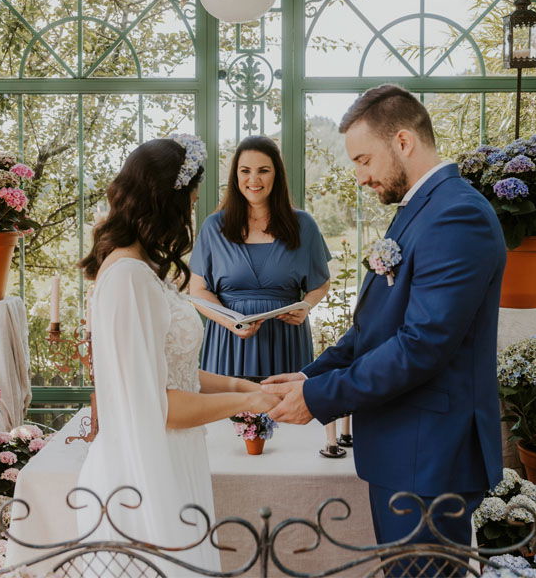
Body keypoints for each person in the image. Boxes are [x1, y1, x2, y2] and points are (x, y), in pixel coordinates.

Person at [261, 85, 506, 571]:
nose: (360, 176)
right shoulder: (417, 212)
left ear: (402, 141)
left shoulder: (456, 215)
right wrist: (310, 377)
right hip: (405, 447)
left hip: (430, 455)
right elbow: (372, 330)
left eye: (364, 160)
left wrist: (320, 398)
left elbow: (420, 346)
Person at [76, 135, 281, 574]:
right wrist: (248, 403)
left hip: (176, 454)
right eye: (188, 198)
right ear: (164, 201)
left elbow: (171, 371)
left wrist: (234, 384)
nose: (191, 209)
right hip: (147, 466)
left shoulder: (141, 270)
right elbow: (161, 406)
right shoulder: (128, 278)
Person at [189, 136, 332, 381]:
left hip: (286, 343)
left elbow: (320, 283)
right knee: (225, 414)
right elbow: (198, 290)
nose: (253, 180)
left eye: (263, 171)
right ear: (235, 176)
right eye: (245, 171)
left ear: (276, 175)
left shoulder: (303, 225)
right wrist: (231, 322)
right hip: (228, 343)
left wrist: (306, 306)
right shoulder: (214, 227)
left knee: (286, 413)